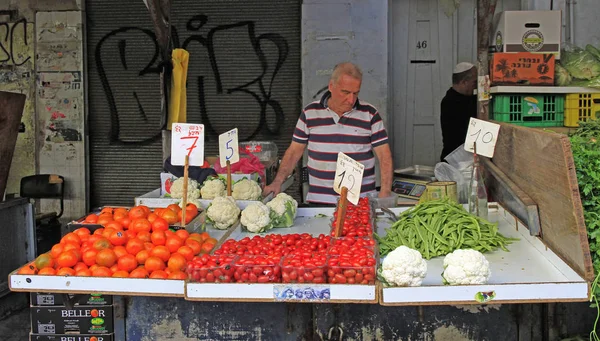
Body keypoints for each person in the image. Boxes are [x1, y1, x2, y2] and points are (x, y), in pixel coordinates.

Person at [263, 62, 393, 204]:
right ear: (331, 86)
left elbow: (384, 156)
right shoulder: (310, 113)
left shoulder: (370, 114)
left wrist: (385, 192)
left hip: (360, 202)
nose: (351, 100)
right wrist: (277, 182)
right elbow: (294, 152)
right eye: (345, 92)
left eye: (355, 93)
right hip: (319, 201)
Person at [440, 62, 478, 162]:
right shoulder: (451, 102)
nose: (475, 87)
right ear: (464, 82)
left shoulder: (464, 99)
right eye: (474, 82)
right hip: (455, 159)